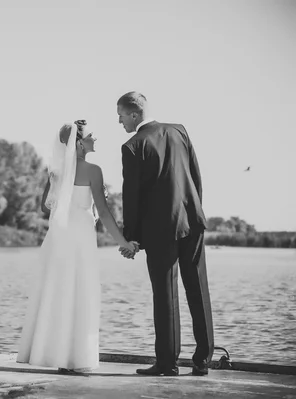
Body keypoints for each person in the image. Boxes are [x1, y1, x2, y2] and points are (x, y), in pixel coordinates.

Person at [16, 120, 139, 373]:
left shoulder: (58, 171)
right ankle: (74, 357)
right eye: (92, 135)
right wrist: (124, 242)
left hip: (58, 238)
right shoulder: (93, 170)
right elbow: (104, 214)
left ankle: (45, 353)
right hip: (81, 237)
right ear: (80, 142)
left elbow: (45, 207)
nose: (96, 138)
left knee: (55, 290)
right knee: (80, 290)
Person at [117, 91, 214, 376]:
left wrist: (131, 237)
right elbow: (196, 176)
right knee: (198, 290)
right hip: (192, 221)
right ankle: (203, 360)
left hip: (160, 230)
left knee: (165, 295)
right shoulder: (179, 131)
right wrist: (195, 211)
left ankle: (167, 363)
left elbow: (131, 197)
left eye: (121, 115)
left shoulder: (133, 145)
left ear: (135, 114)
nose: (119, 121)